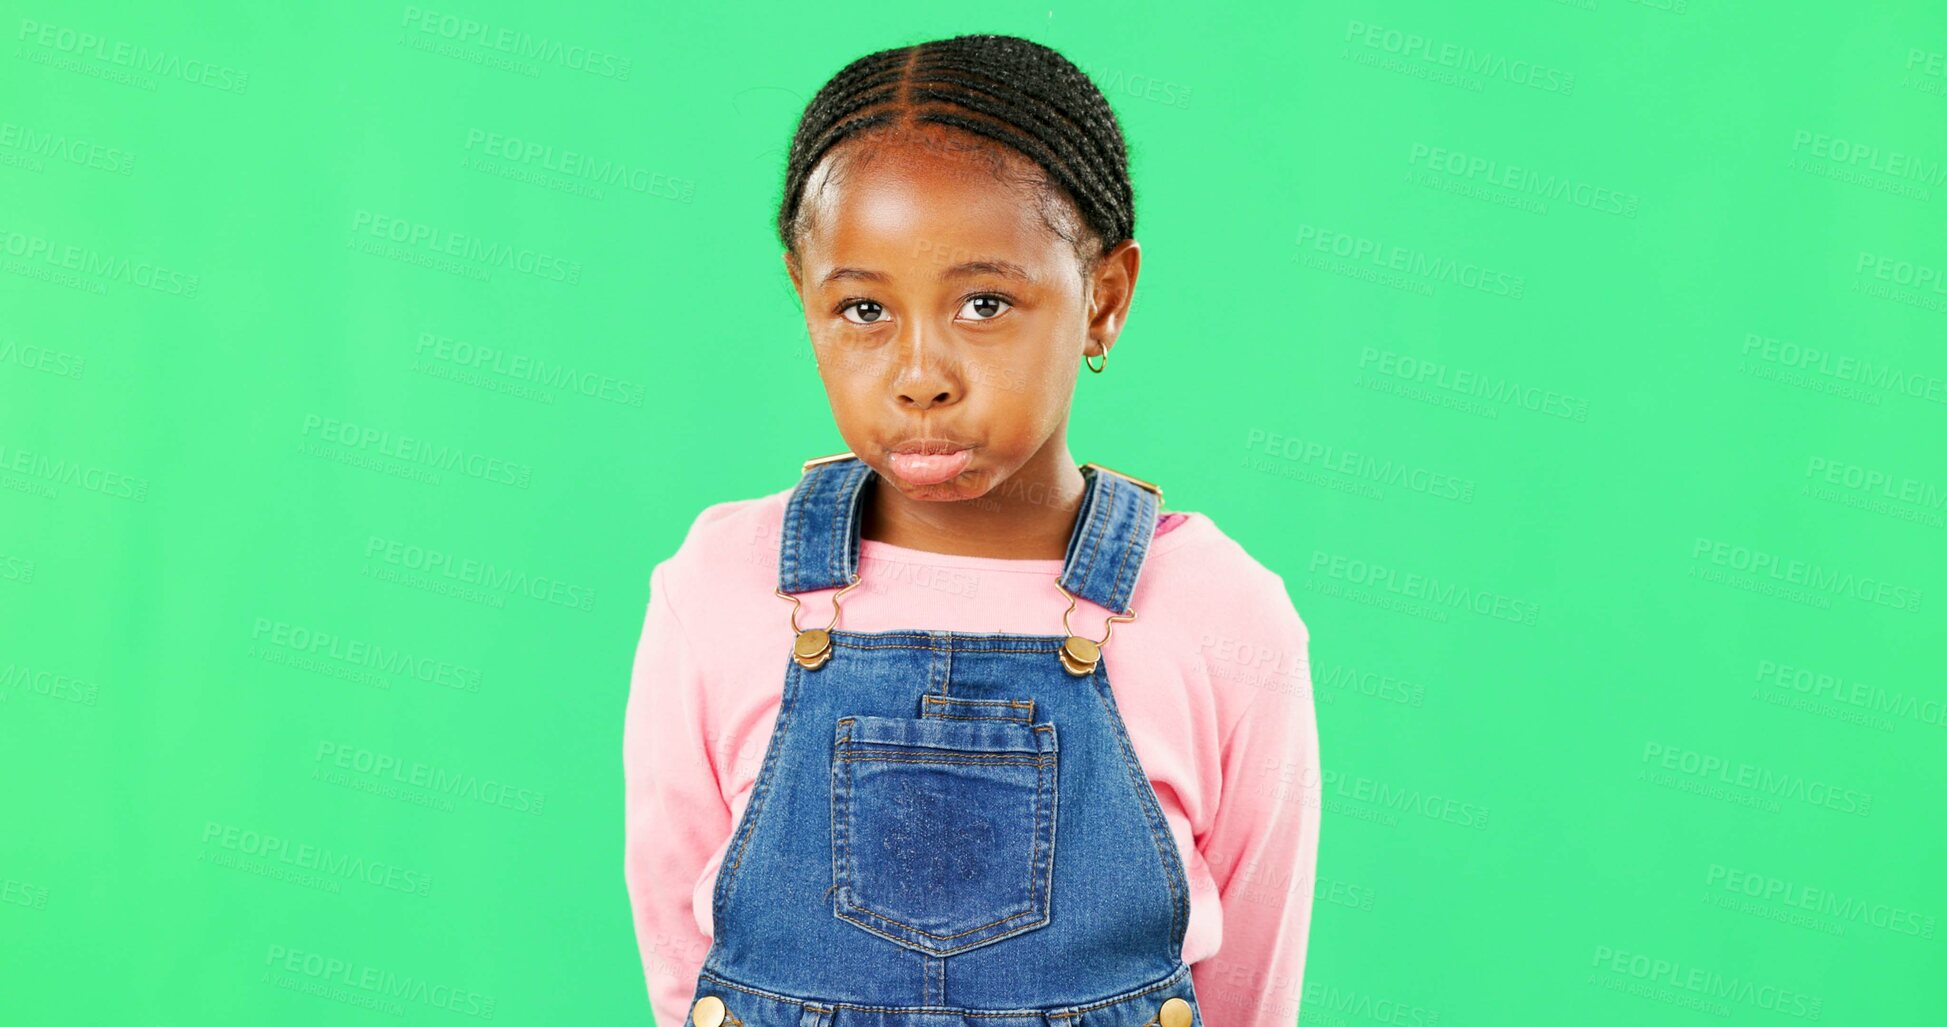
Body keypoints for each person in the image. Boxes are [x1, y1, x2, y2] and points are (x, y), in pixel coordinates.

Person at [623, 32, 1320, 1027]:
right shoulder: (717, 592)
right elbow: (679, 971)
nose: (920, 373)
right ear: (802, 296)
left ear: (1105, 299)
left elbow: (1253, 996)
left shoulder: (1221, 618)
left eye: (985, 303)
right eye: (863, 307)